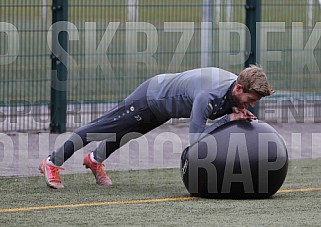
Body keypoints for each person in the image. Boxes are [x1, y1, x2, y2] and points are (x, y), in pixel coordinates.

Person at [39, 65, 275, 189]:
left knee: (124, 136)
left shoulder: (235, 88)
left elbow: (226, 109)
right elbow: (196, 141)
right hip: (149, 98)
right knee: (98, 129)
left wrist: (236, 112)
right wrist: (228, 120)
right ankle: (52, 162)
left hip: (162, 109)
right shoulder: (208, 95)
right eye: (251, 100)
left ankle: (94, 160)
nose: (252, 106)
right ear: (238, 89)